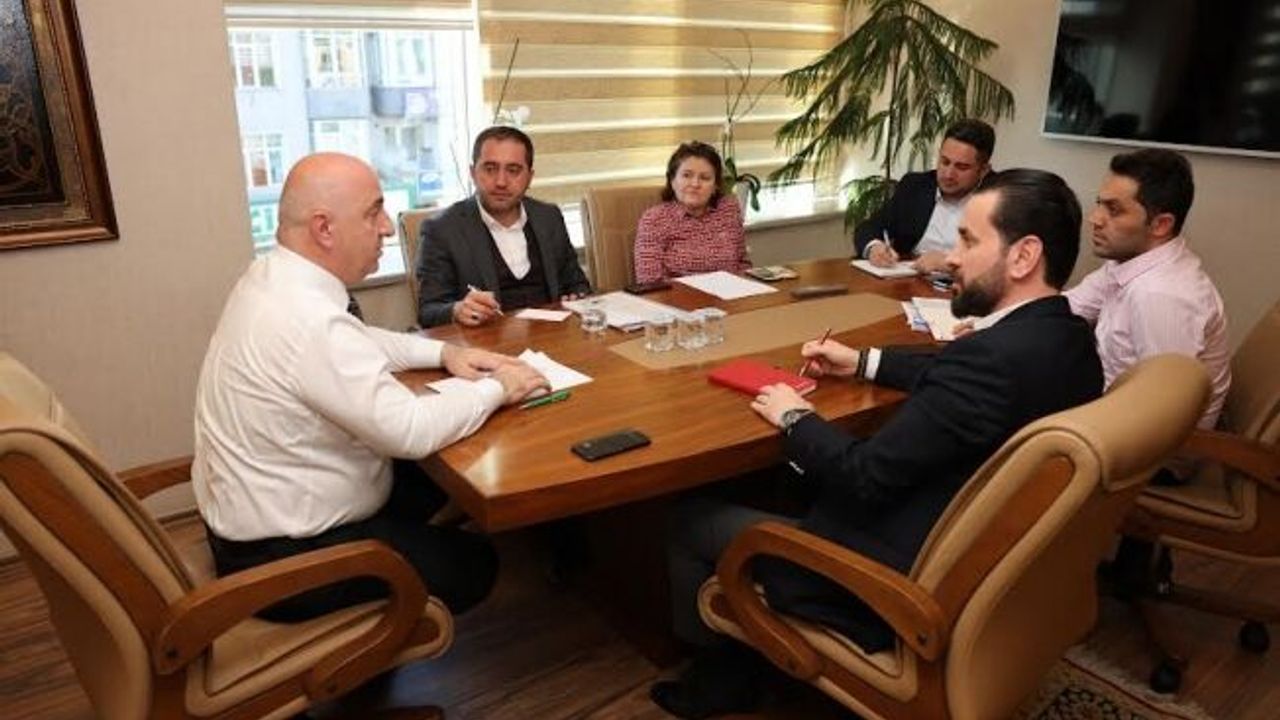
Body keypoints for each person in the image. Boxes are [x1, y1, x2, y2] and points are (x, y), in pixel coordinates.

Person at [653, 169, 1103, 719]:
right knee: (787, 478)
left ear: (1024, 256)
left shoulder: (987, 363)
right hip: (978, 559)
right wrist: (865, 361)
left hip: (885, 574)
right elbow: (955, 379)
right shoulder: (1067, 340)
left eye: (968, 240)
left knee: (688, 517)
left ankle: (715, 675)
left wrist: (795, 416)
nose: (952, 257)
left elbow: (864, 475)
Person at [193, 152, 548, 622]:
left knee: (436, 479)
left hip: (263, 515)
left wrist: (445, 354)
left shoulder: (273, 278)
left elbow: (356, 338)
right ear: (324, 228)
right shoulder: (308, 320)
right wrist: (499, 387)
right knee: (475, 564)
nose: (386, 227)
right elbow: (410, 431)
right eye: (373, 212)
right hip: (284, 562)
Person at [1066, 148, 1230, 430]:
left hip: (1152, 444)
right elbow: (1068, 307)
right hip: (1111, 403)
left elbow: (1162, 413)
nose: (1095, 219)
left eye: (1114, 210)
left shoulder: (1162, 295)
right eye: (1099, 204)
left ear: (1161, 224)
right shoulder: (1129, 261)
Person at [415, 126, 592, 328]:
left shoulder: (549, 217)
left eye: (513, 170)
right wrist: (456, 310)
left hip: (553, 336)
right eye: (490, 169)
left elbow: (578, 285)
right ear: (473, 173)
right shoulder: (442, 229)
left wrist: (577, 297)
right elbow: (428, 312)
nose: (501, 182)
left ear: (530, 177)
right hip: (486, 342)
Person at [853, 118, 995, 273]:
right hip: (909, 281)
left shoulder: (1002, 198)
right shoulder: (915, 186)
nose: (948, 174)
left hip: (966, 285)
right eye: (945, 162)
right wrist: (874, 247)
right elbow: (869, 227)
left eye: (961, 167)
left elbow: (1003, 262)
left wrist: (952, 263)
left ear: (983, 170)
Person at [633, 141, 750, 283]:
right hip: (677, 296)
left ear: (715, 186)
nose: (695, 184)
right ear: (672, 181)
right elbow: (649, 282)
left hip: (731, 293)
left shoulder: (728, 210)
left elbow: (743, 264)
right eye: (687, 175)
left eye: (705, 178)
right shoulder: (655, 220)